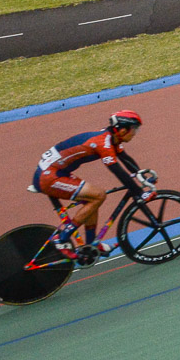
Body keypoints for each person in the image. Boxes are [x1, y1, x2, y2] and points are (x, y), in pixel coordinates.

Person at [33, 111, 154, 258]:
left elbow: (125, 158)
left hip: (56, 172)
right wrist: (140, 193)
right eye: (134, 129)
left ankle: (90, 246)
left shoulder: (110, 138)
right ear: (122, 130)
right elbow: (118, 171)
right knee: (98, 196)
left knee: (93, 199)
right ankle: (62, 237)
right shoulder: (102, 143)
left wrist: (141, 175)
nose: (135, 133)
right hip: (48, 177)